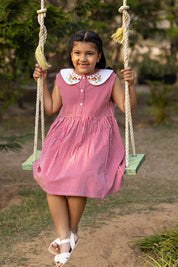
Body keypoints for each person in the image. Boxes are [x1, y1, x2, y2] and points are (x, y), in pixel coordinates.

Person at [33, 30, 136, 267]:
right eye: (77, 53)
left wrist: (130, 83)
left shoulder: (109, 78)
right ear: (71, 55)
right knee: (51, 176)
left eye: (90, 54)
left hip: (97, 139)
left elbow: (126, 108)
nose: (83, 59)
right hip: (63, 137)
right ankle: (66, 238)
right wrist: (42, 84)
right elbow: (50, 108)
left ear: (99, 56)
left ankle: (71, 233)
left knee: (80, 174)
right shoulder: (63, 77)